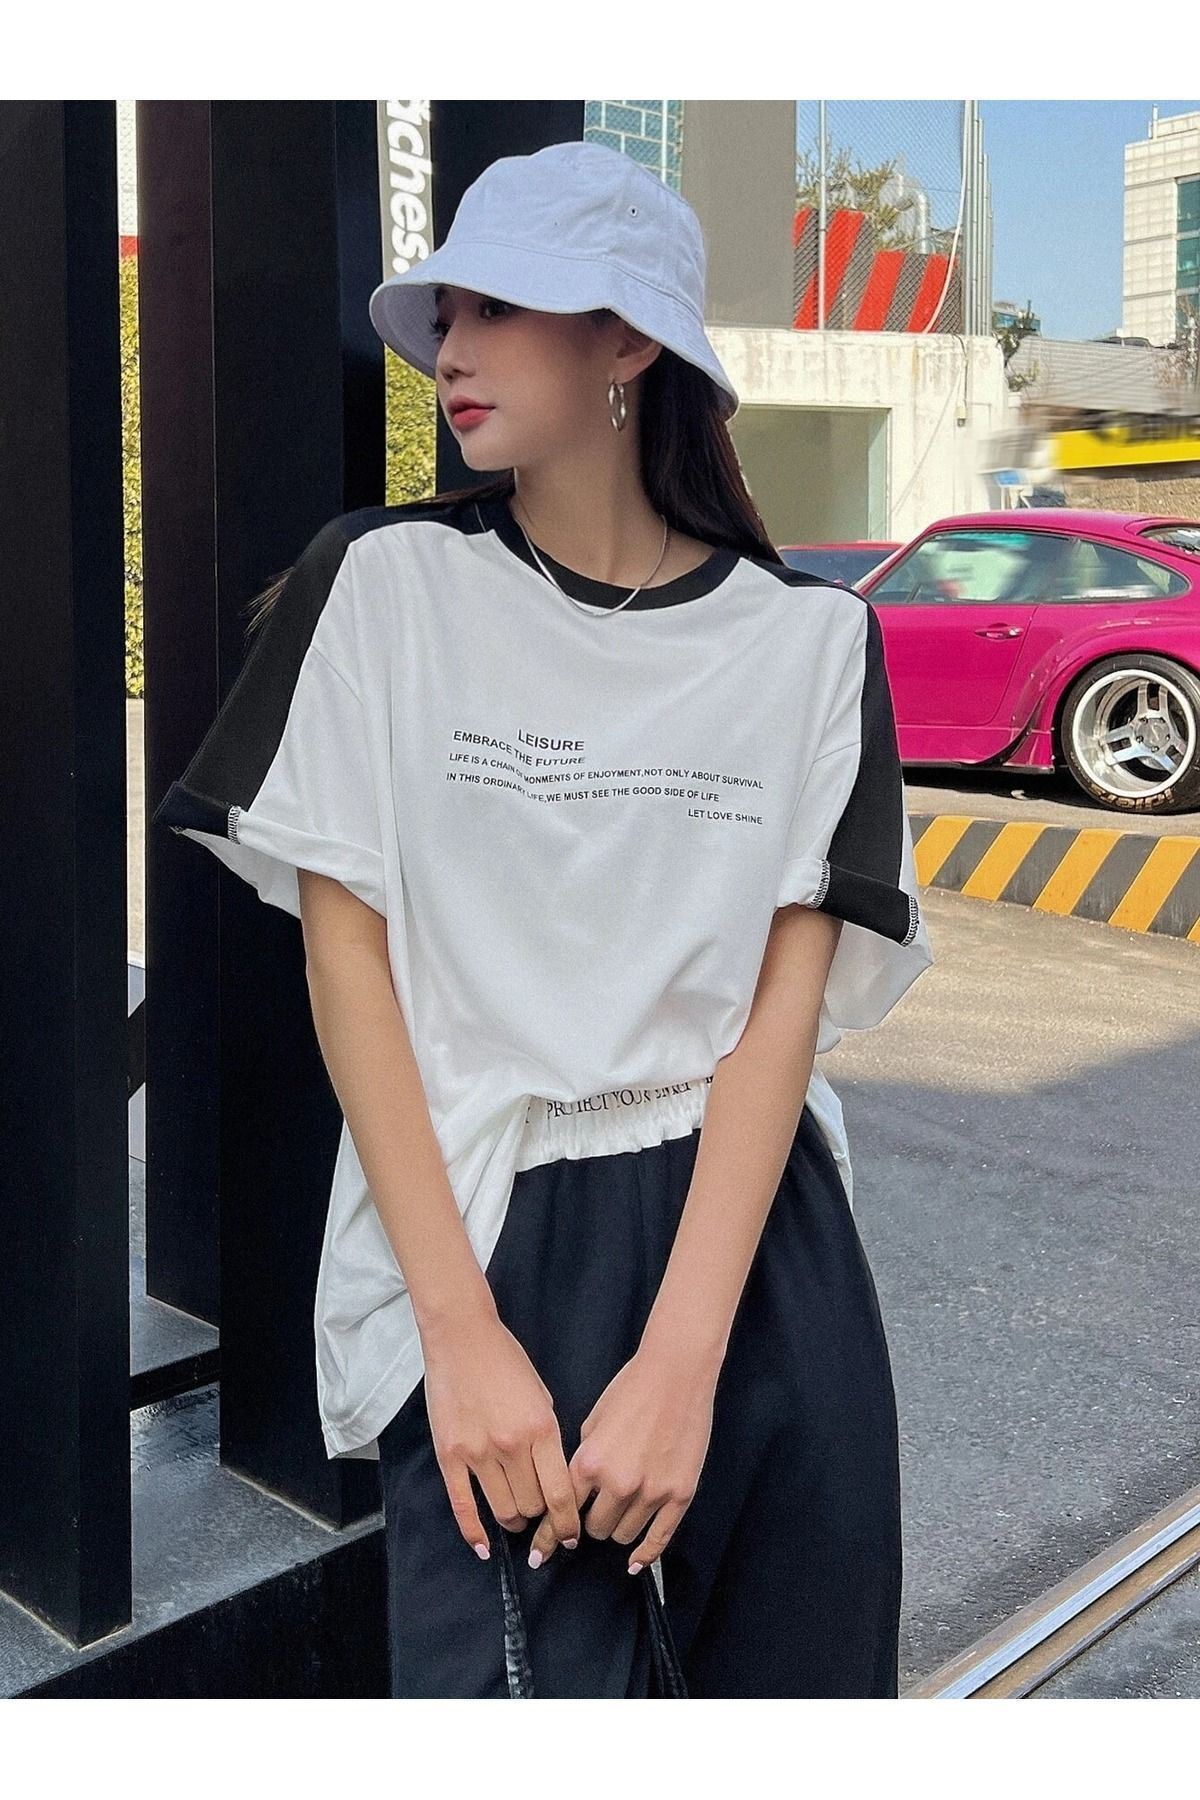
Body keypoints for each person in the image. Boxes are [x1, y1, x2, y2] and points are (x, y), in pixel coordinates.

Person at [154, 138, 934, 1698]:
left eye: (500, 307)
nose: (452, 348)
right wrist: (459, 1333)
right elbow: (348, 959)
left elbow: (782, 1012)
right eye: (447, 312)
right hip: (489, 1227)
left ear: (628, 341)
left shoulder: (808, 644)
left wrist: (685, 1363)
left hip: (752, 1253)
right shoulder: (383, 588)